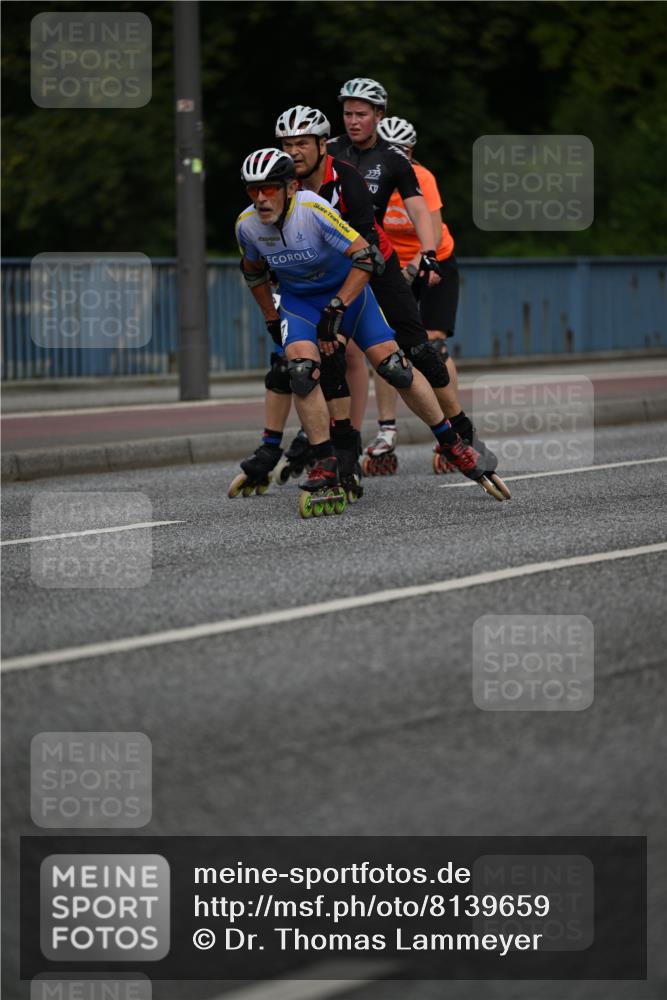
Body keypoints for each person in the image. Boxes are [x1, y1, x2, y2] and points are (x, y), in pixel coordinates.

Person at [231, 147, 508, 517]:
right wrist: (270, 316)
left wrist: (339, 306)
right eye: (253, 191)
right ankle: (326, 460)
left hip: (349, 296)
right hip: (300, 304)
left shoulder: (313, 210)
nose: (262, 199)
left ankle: (452, 442)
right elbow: (253, 272)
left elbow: (367, 258)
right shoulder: (246, 225)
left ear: (291, 186)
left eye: (269, 189)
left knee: (395, 367)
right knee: (300, 370)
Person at [327, 79, 505, 493]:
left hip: (383, 263)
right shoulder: (328, 150)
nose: (354, 121)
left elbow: (419, 209)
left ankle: (462, 434)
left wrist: (427, 253)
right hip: (338, 266)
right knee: (336, 354)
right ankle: (342, 452)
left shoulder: (394, 159)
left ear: (379, 116)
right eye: (348, 113)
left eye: (362, 114)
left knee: (419, 350)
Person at [378, 114, 460, 473]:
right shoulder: (372, 177)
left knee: (433, 345)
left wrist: (413, 268)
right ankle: (386, 430)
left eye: (405, 151)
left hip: (434, 260)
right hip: (392, 266)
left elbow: (436, 230)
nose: (399, 158)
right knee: (385, 346)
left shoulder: (422, 177)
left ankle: (453, 430)